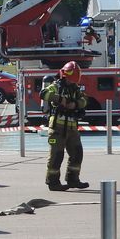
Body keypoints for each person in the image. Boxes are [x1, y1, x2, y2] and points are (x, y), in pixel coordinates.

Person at [41, 61, 89, 191]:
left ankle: (73, 179)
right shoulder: (56, 86)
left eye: (74, 81)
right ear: (64, 76)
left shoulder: (75, 89)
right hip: (57, 128)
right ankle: (53, 182)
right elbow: (43, 93)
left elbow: (85, 100)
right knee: (56, 155)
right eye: (71, 80)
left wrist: (76, 104)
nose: (72, 83)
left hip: (72, 128)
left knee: (77, 153)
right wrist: (60, 99)